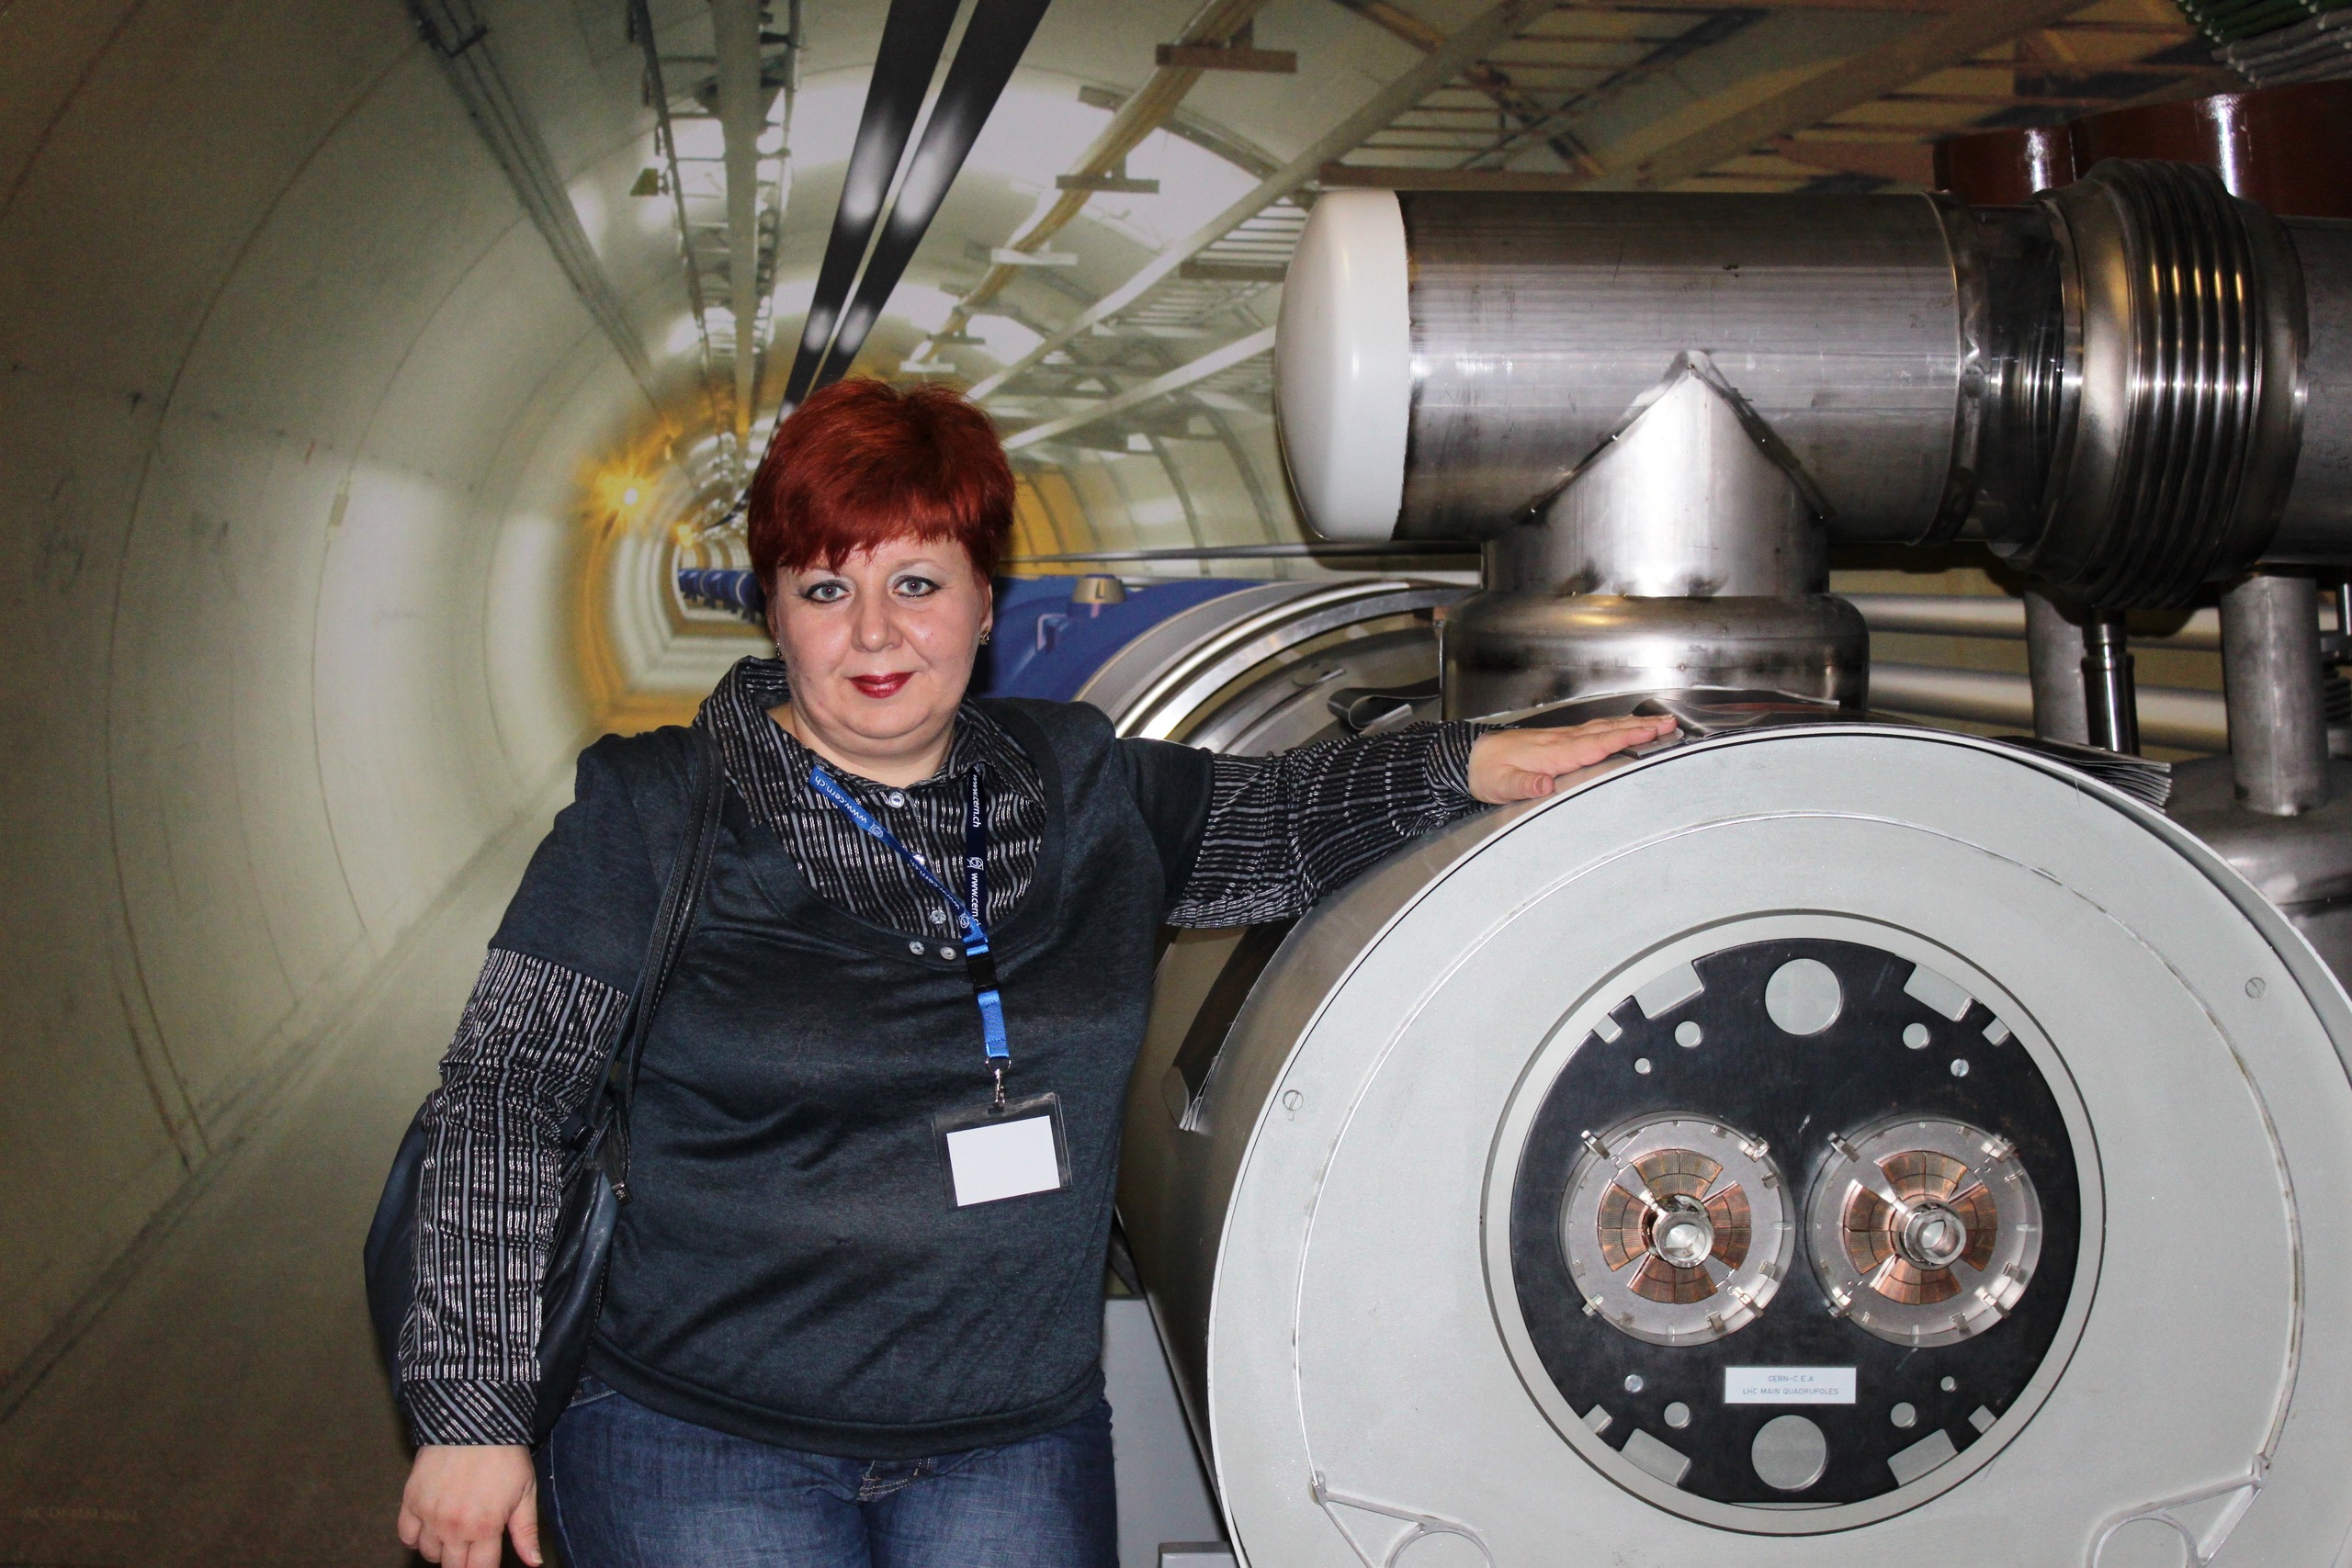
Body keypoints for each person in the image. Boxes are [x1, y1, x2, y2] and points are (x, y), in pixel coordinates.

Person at [391, 378, 1675, 1568]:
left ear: (986, 602)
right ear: (772, 609)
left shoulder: (1079, 787)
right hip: (702, 1441)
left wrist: (1471, 763)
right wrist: (471, 1411)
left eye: (918, 582)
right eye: (828, 590)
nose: (876, 632)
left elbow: (1285, 820)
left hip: (1010, 1447)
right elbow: (506, 1097)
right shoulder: (655, 812)